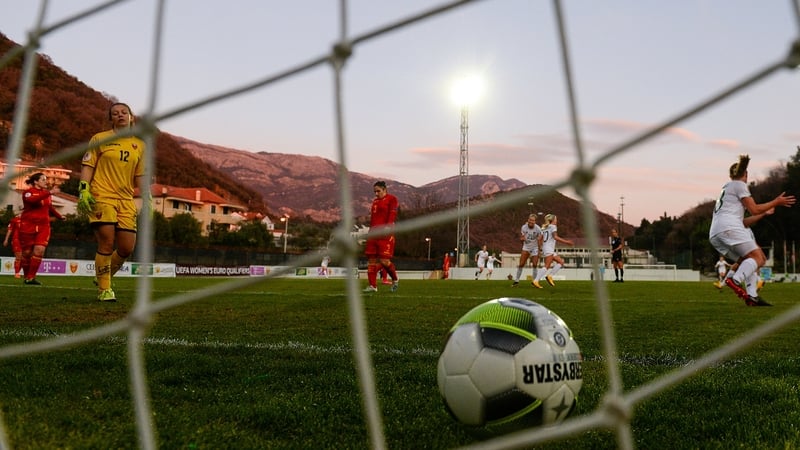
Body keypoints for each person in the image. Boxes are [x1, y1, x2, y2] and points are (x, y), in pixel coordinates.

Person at [78, 102, 146, 302]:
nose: (120, 115)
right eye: (115, 113)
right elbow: (88, 165)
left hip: (126, 199)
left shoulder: (140, 145)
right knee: (106, 241)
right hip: (102, 195)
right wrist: (84, 188)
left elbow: (140, 175)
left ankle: (102, 275)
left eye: (124, 112)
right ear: (111, 119)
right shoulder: (99, 139)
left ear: (132, 117)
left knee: (126, 248)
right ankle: (105, 289)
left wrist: (147, 196)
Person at [708, 154, 795, 306]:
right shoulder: (739, 185)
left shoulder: (726, 188)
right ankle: (734, 279)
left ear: (730, 174)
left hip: (716, 233)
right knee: (759, 257)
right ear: (745, 174)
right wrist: (776, 201)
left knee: (747, 261)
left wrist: (763, 213)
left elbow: (743, 222)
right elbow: (754, 209)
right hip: (728, 228)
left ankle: (752, 297)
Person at [18, 173, 65, 285]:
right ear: (35, 182)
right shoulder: (28, 193)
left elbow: (49, 207)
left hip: (44, 226)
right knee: (27, 253)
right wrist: (49, 192)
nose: (46, 182)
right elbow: (33, 201)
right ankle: (26, 276)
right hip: (28, 225)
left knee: (39, 250)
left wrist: (59, 216)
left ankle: (31, 277)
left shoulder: (46, 194)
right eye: (43, 179)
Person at [363, 181, 399, 292]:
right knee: (371, 261)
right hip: (373, 234)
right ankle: (373, 286)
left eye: (378, 191)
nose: (376, 194)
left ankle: (395, 280)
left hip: (385, 234)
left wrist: (388, 226)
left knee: (384, 261)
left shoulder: (392, 199)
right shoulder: (375, 202)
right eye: (375, 192)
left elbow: (392, 213)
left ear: (385, 189)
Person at [533, 213, 574, 288]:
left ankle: (550, 276)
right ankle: (536, 280)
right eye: (556, 219)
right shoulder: (553, 226)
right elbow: (555, 237)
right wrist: (566, 242)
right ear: (552, 220)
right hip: (549, 249)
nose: (556, 220)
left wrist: (540, 249)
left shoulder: (544, 227)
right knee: (547, 266)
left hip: (547, 248)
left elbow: (539, 239)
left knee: (561, 262)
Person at [511, 214, 543, 287]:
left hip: (535, 248)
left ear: (535, 221)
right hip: (526, 247)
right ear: (528, 220)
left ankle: (534, 282)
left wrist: (539, 250)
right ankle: (516, 281)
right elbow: (521, 238)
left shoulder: (538, 229)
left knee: (535, 265)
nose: (531, 221)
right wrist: (522, 239)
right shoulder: (524, 227)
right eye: (530, 220)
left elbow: (540, 238)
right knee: (521, 264)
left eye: (533, 220)